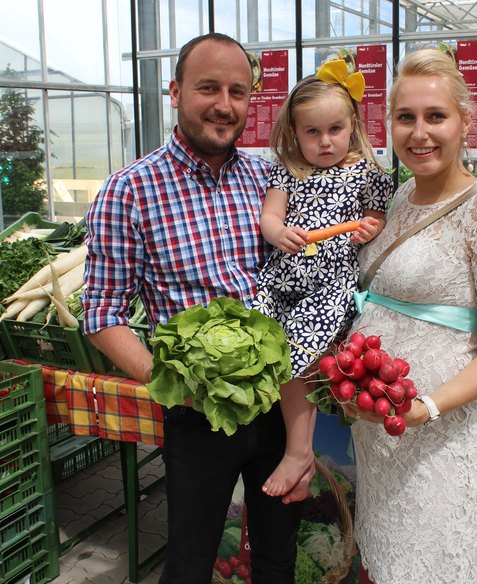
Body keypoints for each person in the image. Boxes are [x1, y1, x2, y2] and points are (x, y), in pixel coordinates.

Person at [81, 32, 303, 584]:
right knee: (190, 559)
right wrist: (169, 382)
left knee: (279, 553)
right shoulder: (129, 190)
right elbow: (101, 312)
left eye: (238, 92)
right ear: (176, 90)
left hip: (279, 401)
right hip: (197, 414)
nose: (225, 105)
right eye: (208, 88)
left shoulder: (267, 180)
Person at [342, 48, 477, 583]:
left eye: (435, 116)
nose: (419, 133)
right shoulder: (401, 197)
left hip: (445, 443)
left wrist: (426, 407)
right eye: (406, 118)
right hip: (384, 436)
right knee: (384, 565)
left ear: (466, 123)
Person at [253, 59, 393, 502]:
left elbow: (378, 216)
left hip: (330, 283)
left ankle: (298, 451)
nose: (325, 141)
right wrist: (278, 233)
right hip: (281, 278)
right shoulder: (286, 170)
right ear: (295, 132)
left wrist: (370, 226)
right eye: (312, 132)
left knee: (295, 355)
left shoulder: (365, 172)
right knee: (262, 345)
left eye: (334, 129)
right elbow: (270, 217)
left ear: (352, 125)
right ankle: (285, 445)